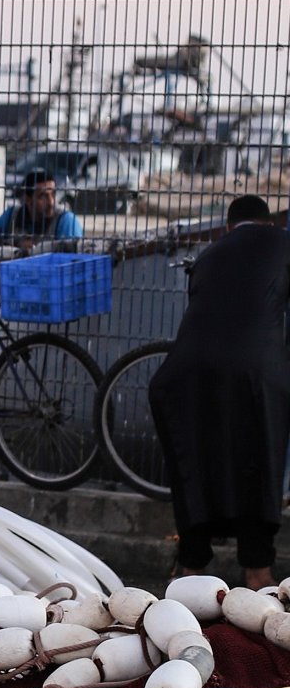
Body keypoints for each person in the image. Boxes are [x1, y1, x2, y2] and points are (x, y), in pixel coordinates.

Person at [148, 195, 290, 589]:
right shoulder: (283, 242)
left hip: (184, 372)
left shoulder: (209, 254)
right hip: (255, 370)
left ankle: (191, 568)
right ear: (267, 222)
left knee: (199, 458)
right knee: (259, 458)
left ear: (229, 227)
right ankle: (258, 571)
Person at [0, 169, 84, 245]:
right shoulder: (13, 215)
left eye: (53, 194)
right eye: (43, 196)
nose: (51, 202)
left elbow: (72, 258)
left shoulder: (65, 220)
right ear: (27, 199)